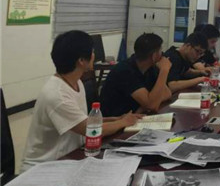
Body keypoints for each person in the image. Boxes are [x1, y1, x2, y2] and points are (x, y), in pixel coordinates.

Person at [21, 31, 142, 172]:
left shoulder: (76, 82)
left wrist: (117, 119)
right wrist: (124, 122)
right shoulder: (57, 95)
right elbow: (90, 130)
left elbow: (83, 121)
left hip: (69, 158)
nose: (94, 55)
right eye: (92, 52)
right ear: (81, 60)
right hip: (43, 168)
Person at [100, 33, 172, 117]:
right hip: (115, 120)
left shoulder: (150, 68)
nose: (162, 55)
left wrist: (144, 106)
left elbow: (168, 94)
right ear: (154, 56)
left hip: (134, 116)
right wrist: (164, 70)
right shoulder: (125, 71)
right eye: (160, 51)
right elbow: (152, 106)